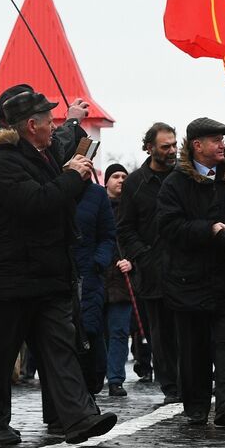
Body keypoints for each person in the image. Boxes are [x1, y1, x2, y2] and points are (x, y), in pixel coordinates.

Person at [0, 90, 116, 446]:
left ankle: (78, 417)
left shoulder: (43, 151)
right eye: (49, 121)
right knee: (0, 353)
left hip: (48, 275)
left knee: (60, 347)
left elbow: (60, 178)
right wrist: (73, 177)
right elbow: (35, 202)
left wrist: (73, 142)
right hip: (11, 277)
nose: (54, 127)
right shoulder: (1, 161)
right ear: (31, 126)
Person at [157, 117, 225, 427]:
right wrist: (210, 230)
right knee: (193, 347)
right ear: (196, 145)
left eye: (222, 139)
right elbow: (169, 226)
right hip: (188, 280)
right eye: (215, 139)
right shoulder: (176, 183)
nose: (222, 144)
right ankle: (197, 405)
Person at [116, 122, 181, 405]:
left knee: (190, 329)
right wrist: (142, 256)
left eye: (174, 145)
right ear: (150, 147)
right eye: (165, 146)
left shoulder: (184, 175)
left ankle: (194, 379)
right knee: (161, 332)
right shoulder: (135, 183)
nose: (171, 151)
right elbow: (125, 227)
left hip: (186, 266)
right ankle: (171, 386)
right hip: (153, 270)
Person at [74, 158, 117, 395]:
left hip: (89, 275)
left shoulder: (97, 195)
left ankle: (91, 389)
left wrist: (99, 262)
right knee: (62, 340)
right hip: (61, 274)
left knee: (90, 332)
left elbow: (108, 235)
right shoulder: (55, 190)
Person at [103, 163, 134, 398]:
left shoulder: (131, 209)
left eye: (124, 176)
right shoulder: (97, 205)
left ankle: (115, 379)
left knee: (119, 331)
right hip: (99, 278)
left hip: (123, 281)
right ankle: (96, 376)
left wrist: (132, 261)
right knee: (96, 331)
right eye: (115, 176)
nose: (120, 180)